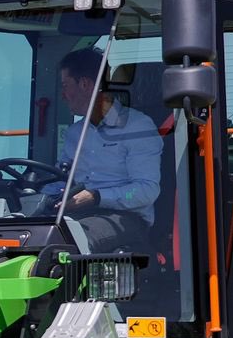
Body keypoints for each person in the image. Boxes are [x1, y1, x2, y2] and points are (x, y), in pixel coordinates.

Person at [46, 45, 163, 251]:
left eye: (65, 86)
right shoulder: (75, 132)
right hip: (79, 214)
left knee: (69, 241)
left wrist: (96, 196)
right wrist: (42, 194)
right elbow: (63, 178)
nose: (62, 95)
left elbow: (146, 190)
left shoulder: (137, 126)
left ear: (84, 84)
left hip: (127, 217)